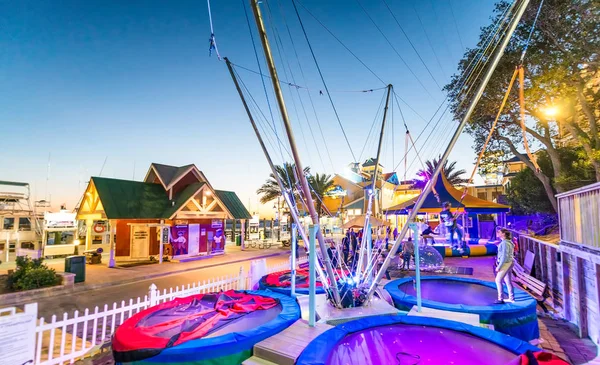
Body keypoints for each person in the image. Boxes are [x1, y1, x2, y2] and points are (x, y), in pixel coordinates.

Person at [495, 228, 515, 304]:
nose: (497, 233)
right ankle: (511, 298)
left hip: (506, 263)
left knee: (498, 280)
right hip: (509, 262)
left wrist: (499, 267)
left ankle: (500, 299)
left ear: (503, 234)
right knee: (508, 281)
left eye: (499, 232)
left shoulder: (504, 243)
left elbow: (504, 256)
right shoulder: (508, 242)